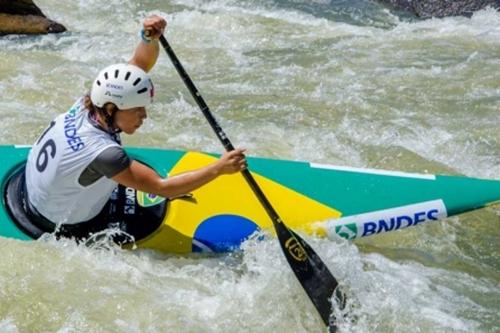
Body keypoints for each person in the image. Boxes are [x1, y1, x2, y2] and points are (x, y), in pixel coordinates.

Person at [23, 15, 247, 237]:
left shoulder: (89, 102)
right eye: (137, 109)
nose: (144, 115)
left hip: (30, 191)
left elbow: (138, 66)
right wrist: (219, 169)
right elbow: (162, 188)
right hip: (60, 222)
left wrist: (148, 39)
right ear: (112, 109)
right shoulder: (106, 155)